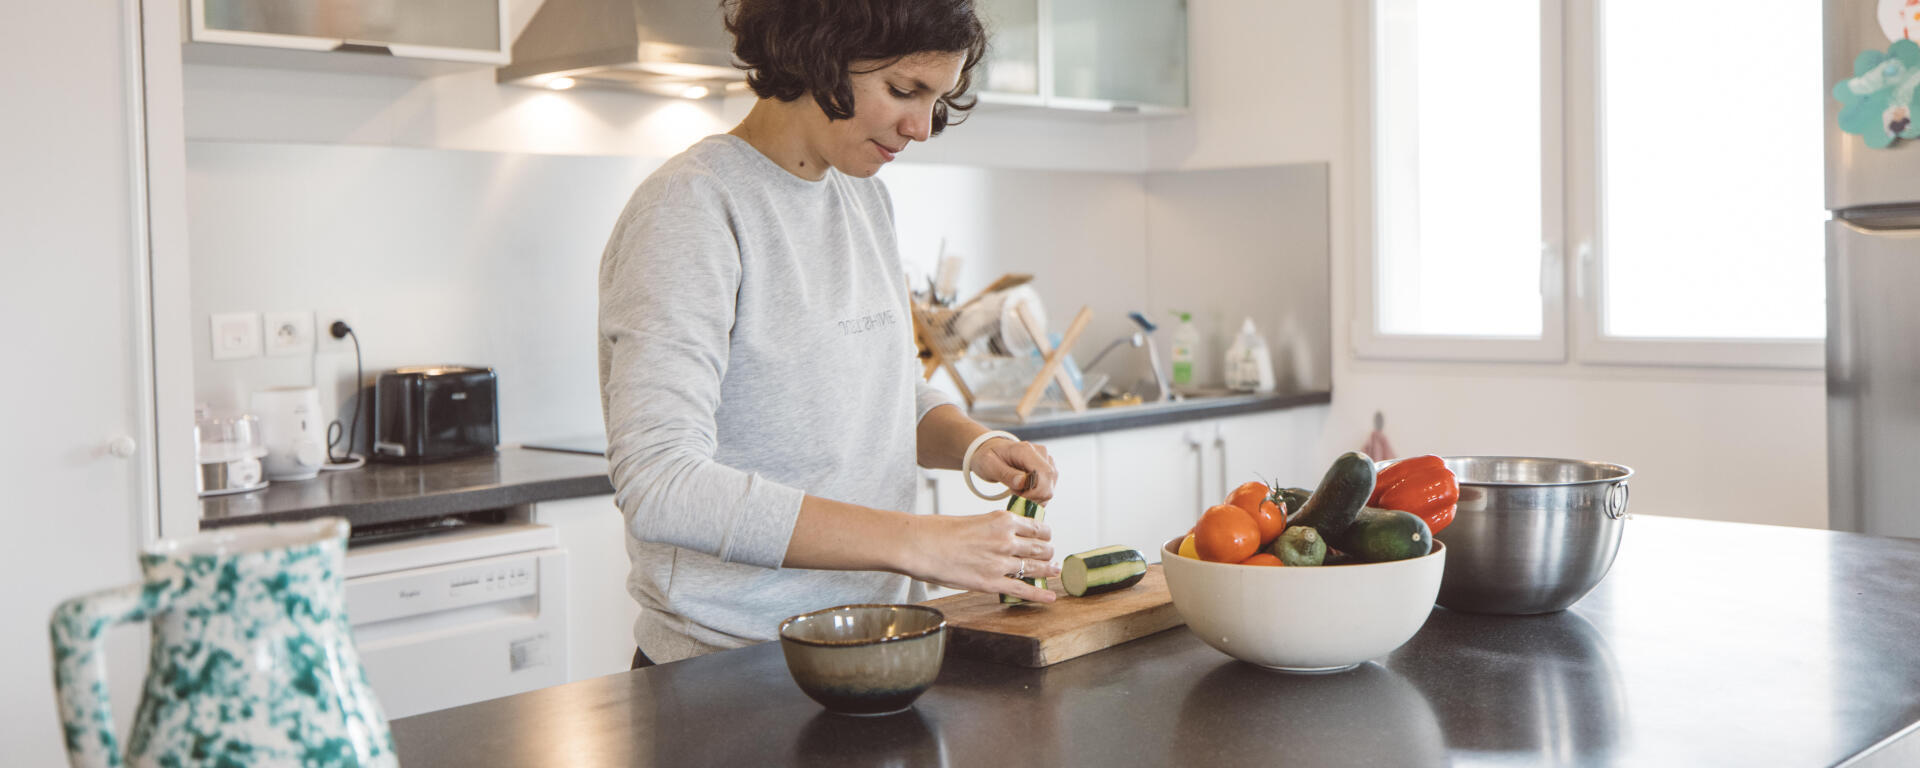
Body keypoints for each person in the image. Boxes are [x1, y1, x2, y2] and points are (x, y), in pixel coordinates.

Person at [598, 0, 1062, 667]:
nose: (923, 127)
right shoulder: (694, 207)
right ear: (816, 50)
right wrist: (919, 541)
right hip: (728, 671)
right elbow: (661, 483)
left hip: (876, 643)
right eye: (905, 90)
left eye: (938, 99)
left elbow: (882, 391)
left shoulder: (862, 196)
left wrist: (974, 445)